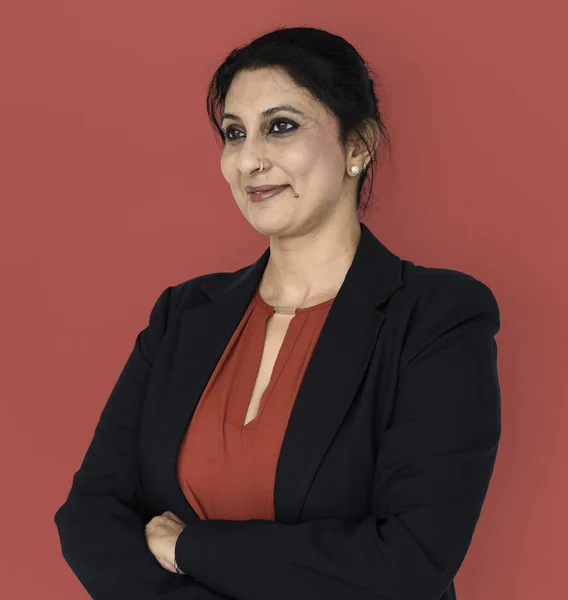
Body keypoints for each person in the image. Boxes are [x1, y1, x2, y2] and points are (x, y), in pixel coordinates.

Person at [54, 26, 501, 600]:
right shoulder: (183, 314)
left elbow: (409, 561)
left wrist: (190, 547)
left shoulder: (438, 317)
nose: (249, 160)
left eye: (280, 127)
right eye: (234, 133)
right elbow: (89, 517)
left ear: (358, 146)